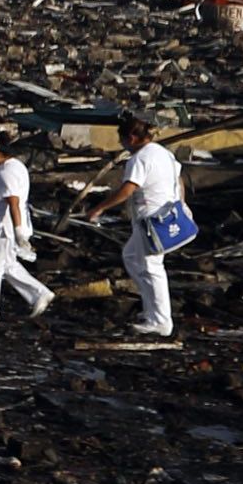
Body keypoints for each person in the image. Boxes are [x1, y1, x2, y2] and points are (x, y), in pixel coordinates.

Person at [85, 116, 185, 337]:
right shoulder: (163, 152)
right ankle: (151, 311)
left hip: (152, 218)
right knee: (131, 255)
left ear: (131, 137)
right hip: (162, 215)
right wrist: (182, 204)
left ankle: (161, 321)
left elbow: (128, 189)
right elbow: (179, 179)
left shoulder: (139, 158)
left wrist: (99, 208)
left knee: (153, 267)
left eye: (122, 140)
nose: (122, 145)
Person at [0, 134, 53, 324]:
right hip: (2, 226)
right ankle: (39, 293)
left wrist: (20, 234)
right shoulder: (14, 166)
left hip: (1, 229)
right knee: (7, 266)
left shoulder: (5, 173)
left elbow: (13, 203)